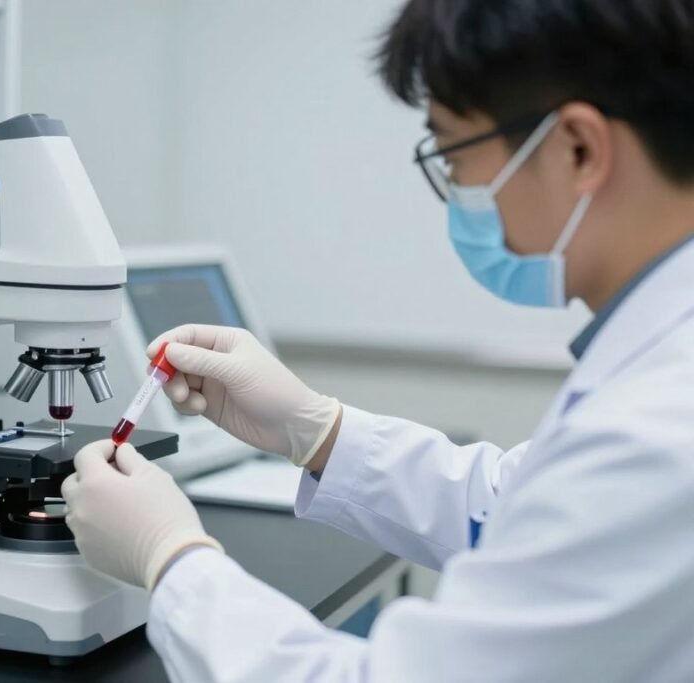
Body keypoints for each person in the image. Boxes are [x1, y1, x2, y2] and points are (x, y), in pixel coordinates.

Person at [60, 0, 694, 680]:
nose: (455, 190)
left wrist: (172, 558)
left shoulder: (655, 431)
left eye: (453, 154)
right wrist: (319, 430)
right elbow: (517, 507)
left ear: (578, 148)